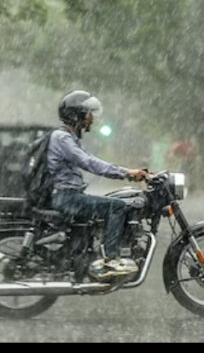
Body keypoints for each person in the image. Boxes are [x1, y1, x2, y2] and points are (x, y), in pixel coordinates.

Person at [47, 90, 149, 281]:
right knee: (116, 206)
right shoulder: (62, 138)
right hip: (66, 198)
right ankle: (110, 260)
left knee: (115, 201)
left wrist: (127, 172)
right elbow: (88, 163)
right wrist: (125, 173)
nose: (91, 119)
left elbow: (91, 159)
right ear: (76, 115)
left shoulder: (70, 138)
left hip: (68, 195)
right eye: (88, 114)